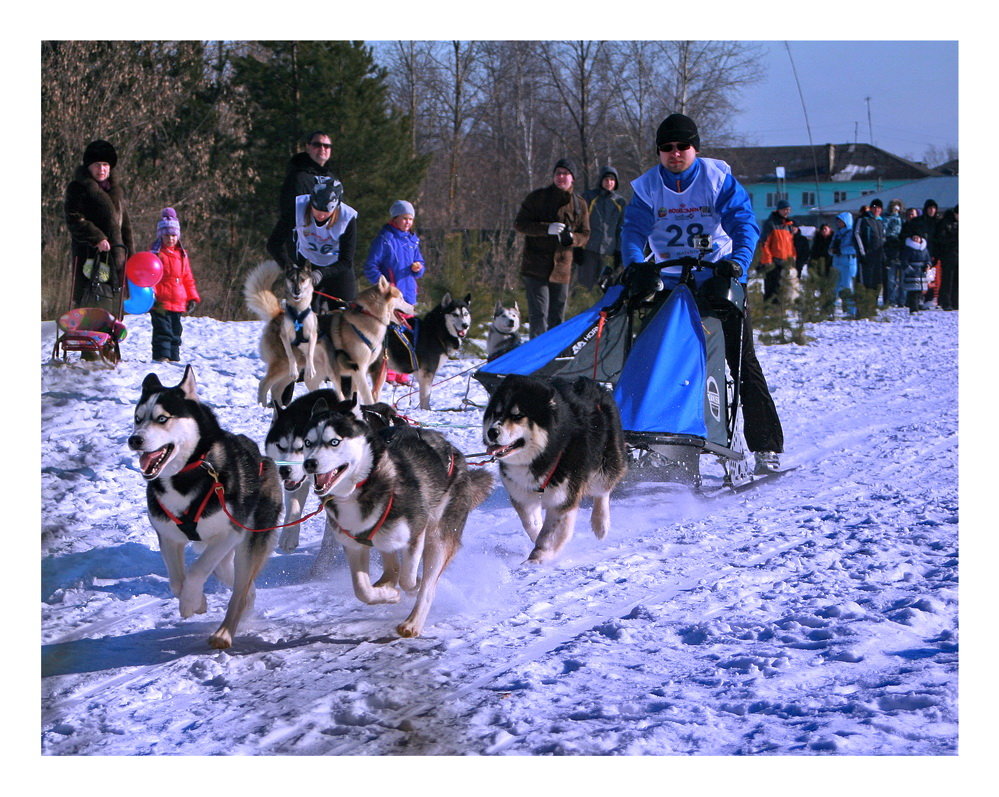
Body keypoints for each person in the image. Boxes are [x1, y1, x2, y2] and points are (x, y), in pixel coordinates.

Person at [619, 113, 784, 474]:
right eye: (667, 148)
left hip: (717, 279)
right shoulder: (648, 186)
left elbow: (744, 223)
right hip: (670, 282)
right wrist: (636, 264)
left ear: (695, 148)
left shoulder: (716, 177)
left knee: (740, 363)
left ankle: (766, 447)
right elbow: (632, 231)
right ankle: (656, 443)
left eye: (683, 146)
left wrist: (737, 263)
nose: (675, 153)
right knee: (656, 363)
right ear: (659, 152)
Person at [514, 158, 590, 337]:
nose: (561, 177)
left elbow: (585, 235)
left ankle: (553, 358)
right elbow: (520, 224)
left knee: (557, 317)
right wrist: (546, 229)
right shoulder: (537, 198)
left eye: (565, 174)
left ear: (573, 178)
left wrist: (572, 238)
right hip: (535, 267)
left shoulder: (579, 204)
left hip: (562, 269)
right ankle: (536, 357)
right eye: (558, 173)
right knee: (539, 315)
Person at [267, 176, 358, 310]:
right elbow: (273, 244)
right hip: (306, 267)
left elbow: (346, 261)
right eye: (316, 210)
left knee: (346, 314)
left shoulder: (347, 218)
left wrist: (321, 274)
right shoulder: (298, 208)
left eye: (326, 212)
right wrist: (289, 267)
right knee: (304, 314)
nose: (320, 215)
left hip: (337, 269)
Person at [64, 139, 134, 310]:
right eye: (97, 165)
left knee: (114, 310)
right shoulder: (78, 188)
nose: (101, 169)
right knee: (91, 306)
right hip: (90, 257)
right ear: (89, 166)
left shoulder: (116, 191)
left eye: (105, 165)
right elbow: (74, 219)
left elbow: (125, 226)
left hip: (117, 259)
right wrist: (97, 238)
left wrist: (131, 256)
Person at [364, 200, 425, 386]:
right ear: (395, 218)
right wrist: (384, 285)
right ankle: (389, 370)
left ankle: (404, 371)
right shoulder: (385, 239)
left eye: (411, 219)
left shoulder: (412, 240)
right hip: (390, 297)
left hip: (408, 295)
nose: (408, 223)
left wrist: (418, 268)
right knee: (391, 335)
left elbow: (421, 265)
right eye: (404, 218)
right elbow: (370, 266)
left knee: (407, 334)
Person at [149, 208, 200, 363]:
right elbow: (151, 277)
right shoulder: (156, 254)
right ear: (161, 235)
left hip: (178, 301)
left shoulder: (182, 255)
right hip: (161, 300)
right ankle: (161, 356)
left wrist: (192, 297)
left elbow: (187, 278)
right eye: (167, 235)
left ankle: (173, 356)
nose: (170, 239)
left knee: (176, 331)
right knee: (162, 331)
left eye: (173, 235)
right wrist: (153, 295)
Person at [275, 131, 336, 240]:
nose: (322, 149)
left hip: (327, 241)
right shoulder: (298, 177)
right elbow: (291, 214)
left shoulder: (331, 179)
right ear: (308, 147)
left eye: (327, 146)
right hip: (303, 240)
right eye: (317, 145)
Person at [577, 165, 626, 291]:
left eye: (612, 180)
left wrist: (619, 251)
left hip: (609, 252)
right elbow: (579, 222)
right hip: (589, 249)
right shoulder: (589, 198)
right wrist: (577, 246)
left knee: (606, 287)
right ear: (601, 181)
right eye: (606, 179)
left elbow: (621, 228)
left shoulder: (620, 202)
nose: (609, 183)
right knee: (585, 287)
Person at [758, 199, 798, 302]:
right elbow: (764, 243)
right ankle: (769, 310)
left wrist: (792, 257)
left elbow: (790, 244)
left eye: (788, 209)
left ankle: (780, 310)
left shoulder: (788, 225)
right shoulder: (771, 224)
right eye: (785, 209)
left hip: (785, 262)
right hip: (773, 262)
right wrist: (767, 261)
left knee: (783, 289)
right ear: (779, 210)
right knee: (772, 289)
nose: (787, 212)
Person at [854, 198, 886, 301]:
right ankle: (864, 304)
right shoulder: (864, 219)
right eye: (875, 207)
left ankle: (873, 303)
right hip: (867, 255)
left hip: (878, 256)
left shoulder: (880, 221)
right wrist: (862, 253)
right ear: (871, 208)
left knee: (877, 281)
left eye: (879, 208)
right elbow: (856, 234)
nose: (877, 210)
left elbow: (883, 238)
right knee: (865, 281)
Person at [829, 211, 859, 315]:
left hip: (848, 264)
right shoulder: (837, 233)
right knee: (833, 287)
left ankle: (851, 311)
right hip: (837, 263)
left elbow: (855, 248)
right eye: (838, 221)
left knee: (848, 288)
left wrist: (841, 251)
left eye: (840, 221)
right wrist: (832, 250)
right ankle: (830, 311)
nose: (838, 223)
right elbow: (831, 246)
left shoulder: (853, 233)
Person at [934, 205, 958, 311]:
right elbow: (941, 239)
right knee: (947, 280)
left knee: (957, 280)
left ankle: (956, 301)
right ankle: (946, 302)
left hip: (958, 254)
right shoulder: (945, 222)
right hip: (948, 255)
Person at [900, 232, 932, 313]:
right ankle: (913, 308)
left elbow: (928, 259)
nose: (915, 239)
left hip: (921, 272)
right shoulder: (908, 249)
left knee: (920, 291)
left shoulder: (924, 249)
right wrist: (909, 269)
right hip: (912, 272)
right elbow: (904, 261)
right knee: (913, 292)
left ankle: (919, 305)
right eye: (914, 238)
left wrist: (928, 265)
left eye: (917, 238)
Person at [882, 199, 905, 306]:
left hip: (900, 248)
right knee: (890, 279)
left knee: (901, 280)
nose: (896, 210)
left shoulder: (902, 220)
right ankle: (890, 299)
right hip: (890, 247)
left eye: (897, 208)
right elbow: (884, 230)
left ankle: (901, 300)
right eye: (894, 208)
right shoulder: (886, 218)